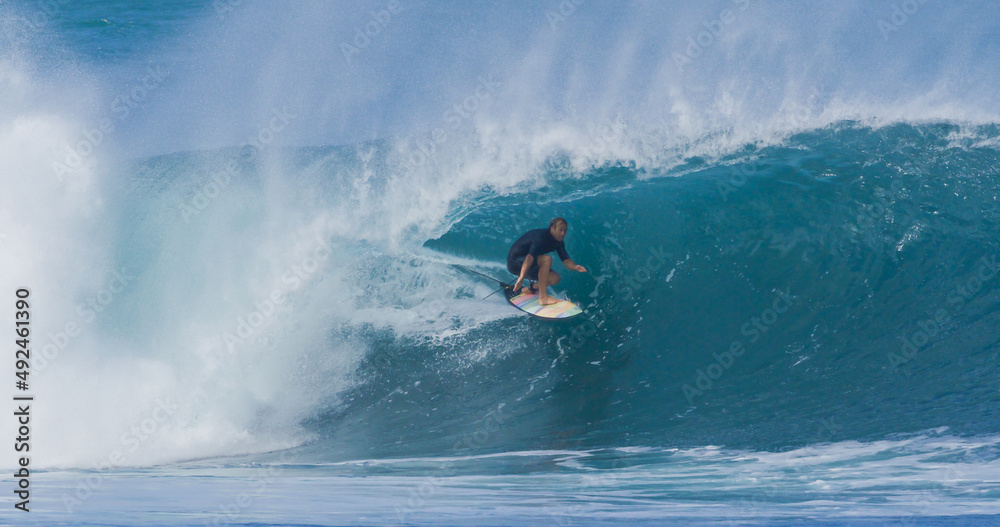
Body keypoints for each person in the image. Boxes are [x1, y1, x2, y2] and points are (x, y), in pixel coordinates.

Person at [507, 217, 587, 306]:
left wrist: (575, 267)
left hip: (529, 264)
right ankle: (543, 298)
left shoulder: (558, 242)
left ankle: (529, 289)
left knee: (555, 278)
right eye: (560, 230)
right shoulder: (540, 237)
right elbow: (529, 258)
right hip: (515, 263)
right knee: (546, 259)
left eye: (565, 231)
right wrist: (521, 278)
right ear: (552, 228)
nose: (563, 233)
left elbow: (566, 260)